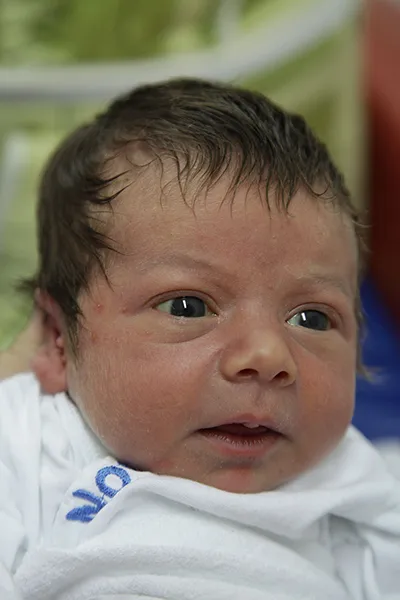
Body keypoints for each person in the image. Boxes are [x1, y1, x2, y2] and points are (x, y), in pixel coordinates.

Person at [0, 78, 399, 600]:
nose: (267, 355)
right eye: (187, 307)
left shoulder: (351, 484)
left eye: (312, 318)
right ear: (58, 340)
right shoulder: (29, 441)